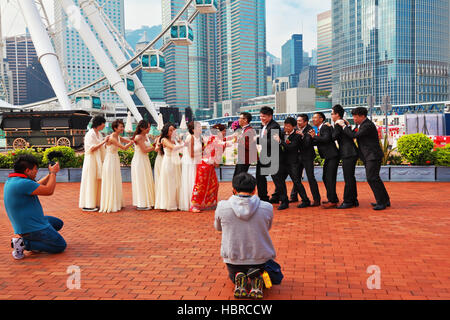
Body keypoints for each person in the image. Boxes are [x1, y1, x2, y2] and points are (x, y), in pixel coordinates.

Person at [214, 173, 276, 300]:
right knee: (268, 279)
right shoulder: (267, 207)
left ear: (234, 190)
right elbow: (267, 227)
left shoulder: (222, 206)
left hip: (234, 258)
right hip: (260, 259)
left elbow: (218, 228)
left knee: (234, 277)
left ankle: (239, 276)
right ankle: (256, 278)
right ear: (254, 189)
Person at [4, 155, 66, 259]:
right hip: (32, 228)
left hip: (27, 224)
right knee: (60, 245)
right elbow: (49, 190)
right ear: (28, 170)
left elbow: (37, 185)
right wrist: (53, 173)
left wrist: (51, 173)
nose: (37, 172)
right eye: (35, 169)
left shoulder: (14, 180)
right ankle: (23, 244)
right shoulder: (23, 183)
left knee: (58, 223)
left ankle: (35, 240)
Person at [339, 107, 390, 210]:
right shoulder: (362, 124)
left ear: (362, 116)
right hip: (369, 156)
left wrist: (344, 126)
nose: (354, 118)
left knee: (372, 178)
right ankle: (384, 200)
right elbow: (354, 132)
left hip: (373, 156)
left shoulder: (367, 125)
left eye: (355, 116)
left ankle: (381, 203)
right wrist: (348, 126)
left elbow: (354, 135)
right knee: (375, 178)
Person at [273, 117, 311, 210]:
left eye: (288, 126)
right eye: (285, 125)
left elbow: (291, 147)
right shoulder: (281, 133)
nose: (286, 127)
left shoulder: (297, 135)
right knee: (280, 181)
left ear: (294, 127)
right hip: (282, 162)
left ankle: (305, 200)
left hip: (293, 163)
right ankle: (283, 201)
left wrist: (280, 141)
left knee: (296, 182)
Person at [99, 119, 133, 213]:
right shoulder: (112, 138)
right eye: (121, 127)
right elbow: (124, 147)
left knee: (116, 180)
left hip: (115, 159)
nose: (122, 128)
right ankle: (111, 203)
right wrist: (131, 143)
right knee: (111, 180)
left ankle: (116, 202)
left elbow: (126, 140)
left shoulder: (118, 136)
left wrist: (133, 140)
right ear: (115, 128)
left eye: (122, 126)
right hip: (110, 160)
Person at [329, 105, 359, 209]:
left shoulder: (339, 123)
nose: (331, 116)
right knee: (351, 177)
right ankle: (354, 199)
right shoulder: (344, 122)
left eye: (332, 114)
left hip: (348, 153)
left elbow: (334, 137)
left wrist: (330, 128)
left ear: (337, 114)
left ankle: (348, 201)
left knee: (348, 178)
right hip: (351, 152)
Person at [190, 124, 224, 212]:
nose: (224, 133)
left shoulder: (212, 139)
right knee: (201, 185)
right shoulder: (217, 140)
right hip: (206, 164)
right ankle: (195, 205)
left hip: (206, 164)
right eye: (223, 131)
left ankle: (208, 203)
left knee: (212, 184)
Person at [309, 112, 340, 209]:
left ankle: (332, 201)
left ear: (321, 119)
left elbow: (326, 139)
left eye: (315, 118)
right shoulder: (320, 128)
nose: (313, 120)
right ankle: (332, 198)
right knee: (326, 177)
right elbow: (320, 140)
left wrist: (314, 136)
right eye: (312, 118)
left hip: (332, 156)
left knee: (329, 178)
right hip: (329, 156)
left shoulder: (325, 127)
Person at [79, 116, 109, 212]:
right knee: (90, 180)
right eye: (103, 123)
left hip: (97, 159)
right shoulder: (90, 134)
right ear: (99, 124)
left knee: (96, 181)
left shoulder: (99, 134)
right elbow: (91, 148)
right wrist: (104, 141)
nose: (104, 125)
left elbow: (100, 146)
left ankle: (95, 202)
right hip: (91, 159)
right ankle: (88, 204)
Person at [290, 114, 321, 206]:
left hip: (307, 157)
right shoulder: (295, 129)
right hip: (297, 157)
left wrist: (302, 135)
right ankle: (294, 196)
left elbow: (307, 143)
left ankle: (316, 200)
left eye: (300, 121)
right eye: (297, 121)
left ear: (306, 122)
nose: (298, 123)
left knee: (311, 178)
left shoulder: (310, 129)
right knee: (296, 177)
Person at [155, 123, 186, 211]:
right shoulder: (164, 139)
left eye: (173, 130)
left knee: (177, 182)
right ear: (166, 131)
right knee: (169, 182)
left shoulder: (175, 139)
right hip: (168, 162)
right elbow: (172, 147)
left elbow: (181, 150)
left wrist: (181, 141)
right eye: (170, 130)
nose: (172, 131)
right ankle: (168, 204)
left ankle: (177, 202)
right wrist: (184, 144)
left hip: (176, 162)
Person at [256, 107, 281, 202]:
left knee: (276, 178)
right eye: (261, 116)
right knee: (260, 176)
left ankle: (281, 198)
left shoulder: (274, 126)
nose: (262, 118)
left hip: (273, 155)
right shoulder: (263, 125)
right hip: (264, 154)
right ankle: (263, 197)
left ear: (270, 116)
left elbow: (273, 142)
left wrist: (257, 140)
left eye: (264, 116)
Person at [131, 120, 156, 210]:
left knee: (147, 179)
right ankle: (142, 203)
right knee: (141, 180)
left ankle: (148, 201)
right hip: (139, 160)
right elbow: (144, 150)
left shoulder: (145, 136)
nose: (149, 129)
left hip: (145, 159)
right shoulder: (138, 137)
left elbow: (147, 148)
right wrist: (155, 146)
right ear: (142, 128)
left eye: (149, 127)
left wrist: (154, 145)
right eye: (147, 127)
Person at [179, 121, 203, 212]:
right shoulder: (191, 137)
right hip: (191, 162)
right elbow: (191, 154)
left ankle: (195, 202)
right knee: (192, 181)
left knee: (195, 181)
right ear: (193, 129)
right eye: (199, 127)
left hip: (195, 161)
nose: (201, 129)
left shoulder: (198, 138)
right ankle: (192, 204)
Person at [233, 112, 257, 177]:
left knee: (239, 177)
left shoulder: (249, 131)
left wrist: (238, 139)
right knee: (238, 176)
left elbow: (248, 145)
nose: (238, 120)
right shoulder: (245, 130)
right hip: (243, 158)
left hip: (245, 158)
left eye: (240, 118)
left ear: (245, 120)